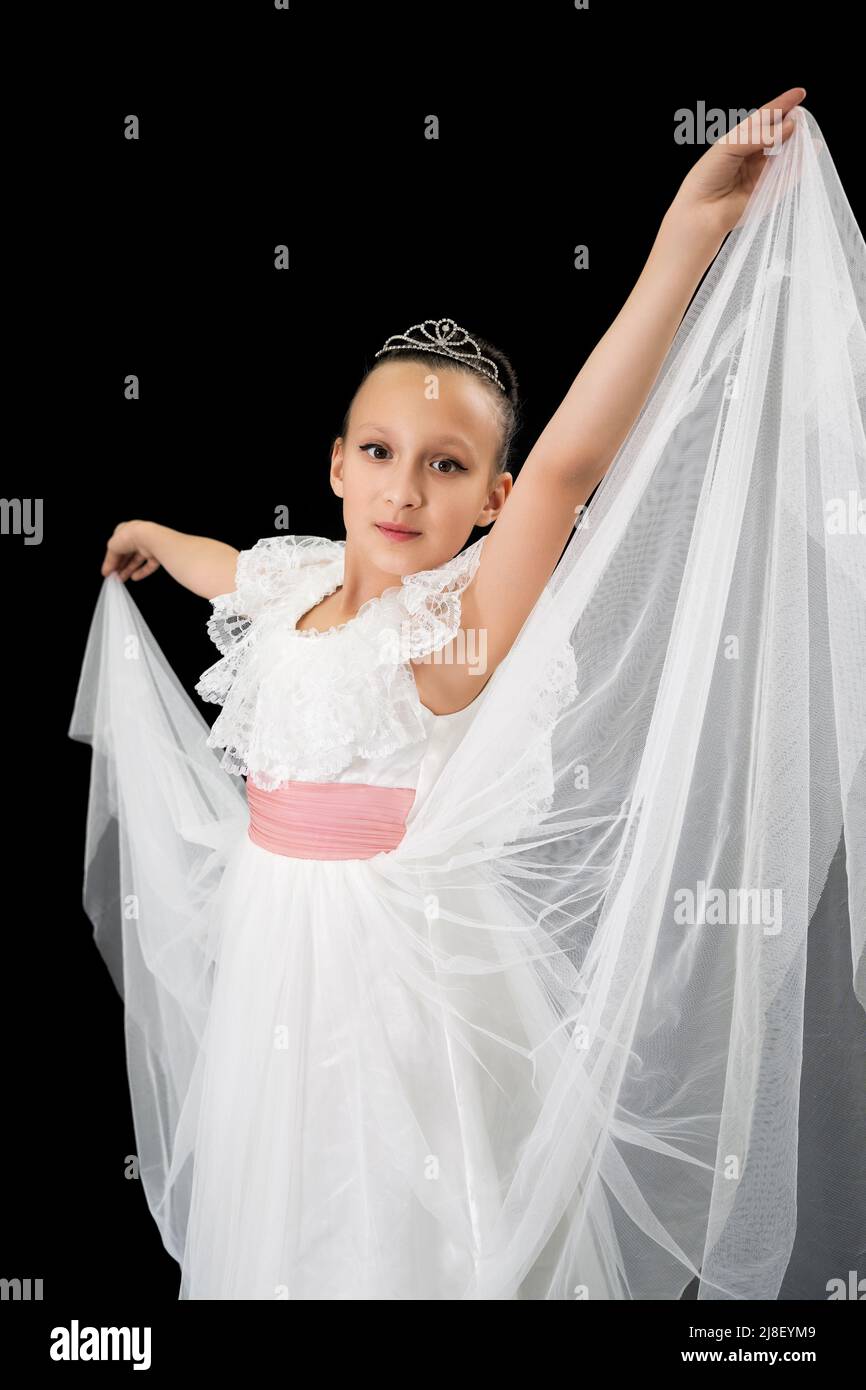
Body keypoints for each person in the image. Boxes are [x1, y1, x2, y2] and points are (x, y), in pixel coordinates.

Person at [69, 91, 866, 1300]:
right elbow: (227, 565)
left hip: (385, 976)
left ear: (487, 502)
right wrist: (151, 536)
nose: (403, 490)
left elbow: (569, 464)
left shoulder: (448, 634)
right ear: (335, 464)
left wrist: (684, 232)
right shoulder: (292, 580)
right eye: (379, 453)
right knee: (277, 1212)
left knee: (388, 1223)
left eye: (447, 468)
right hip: (272, 955)